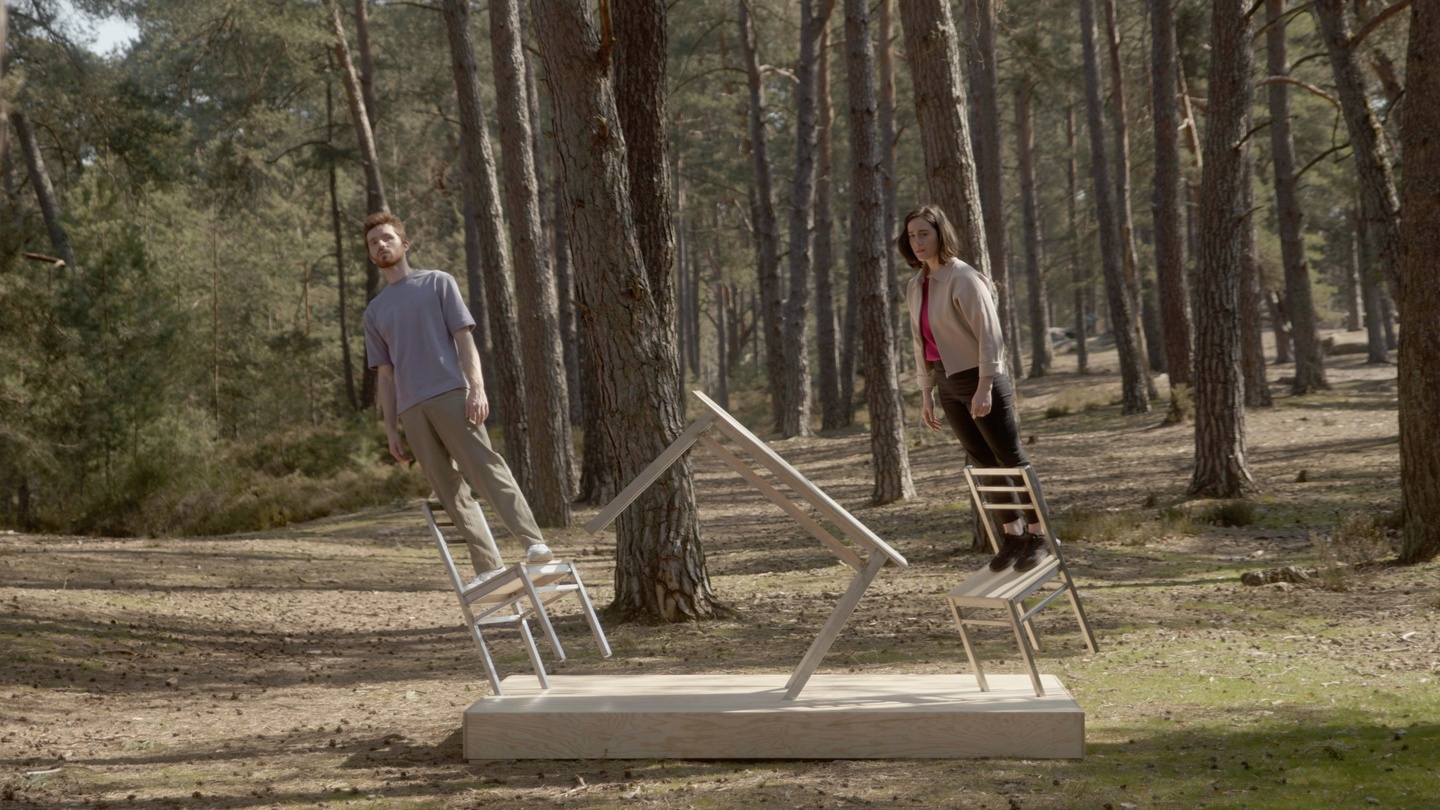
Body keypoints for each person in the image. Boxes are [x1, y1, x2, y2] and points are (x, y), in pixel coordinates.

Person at [361, 211, 552, 588]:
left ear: (404, 244)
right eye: (373, 242)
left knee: (485, 468)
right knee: (447, 490)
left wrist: (476, 388)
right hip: (412, 409)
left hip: (450, 392)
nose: (380, 245)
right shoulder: (374, 311)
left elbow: (465, 339)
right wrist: (391, 429)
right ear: (370, 254)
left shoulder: (437, 282)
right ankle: (488, 565)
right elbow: (385, 375)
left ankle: (534, 544)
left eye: (387, 238)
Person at [900, 204, 1048, 573]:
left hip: (980, 379)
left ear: (940, 235)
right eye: (912, 235)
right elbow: (920, 343)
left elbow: (990, 335)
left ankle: (1040, 535)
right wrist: (926, 392)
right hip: (947, 382)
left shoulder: (963, 277)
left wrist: (984, 387)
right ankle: (1013, 536)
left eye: (924, 234)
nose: (917, 241)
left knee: (1010, 458)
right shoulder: (915, 285)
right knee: (982, 461)